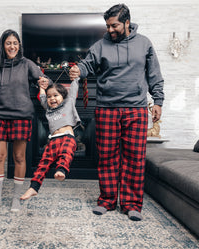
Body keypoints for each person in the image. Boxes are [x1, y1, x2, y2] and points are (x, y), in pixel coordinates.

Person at [69, 3, 164, 221]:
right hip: (106, 109)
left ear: (127, 22)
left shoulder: (144, 44)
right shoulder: (100, 45)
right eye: (107, 26)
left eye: (114, 26)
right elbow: (87, 65)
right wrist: (78, 70)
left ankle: (131, 204)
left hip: (136, 109)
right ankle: (107, 201)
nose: (110, 30)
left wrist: (158, 100)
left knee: (135, 158)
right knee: (107, 157)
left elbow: (154, 75)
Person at [0, 29, 50, 212]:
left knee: (19, 157)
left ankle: (15, 199)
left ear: (19, 45)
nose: (12, 46)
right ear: (3, 46)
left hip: (21, 116)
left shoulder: (27, 64)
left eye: (15, 43)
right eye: (8, 43)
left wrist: (45, 82)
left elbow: (45, 80)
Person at [20, 78, 81, 200]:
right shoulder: (48, 109)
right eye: (49, 97)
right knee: (43, 163)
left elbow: (74, 90)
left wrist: (76, 78)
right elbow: (42, 97)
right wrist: (42, 87)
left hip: (67, 137)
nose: (52, 99)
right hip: (53, 140)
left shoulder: (69, 103)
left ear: (63, 96)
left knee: (66, 153)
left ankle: (61, 169)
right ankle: (34, 187)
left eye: (55, 95)